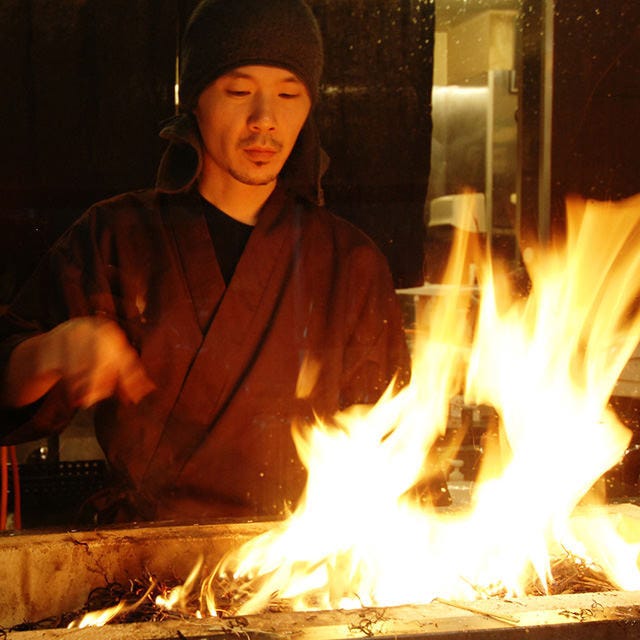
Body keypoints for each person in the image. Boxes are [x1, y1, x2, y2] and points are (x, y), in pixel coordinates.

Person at [0, 0, 411, 523]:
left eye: (289, 95)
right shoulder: (116, 237)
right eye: (238, 92)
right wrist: (52, 352)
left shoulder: (350, 263)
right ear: (193, 100)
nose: (265, 120)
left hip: (295, 557)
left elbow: (396, 442)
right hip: (138, 558)